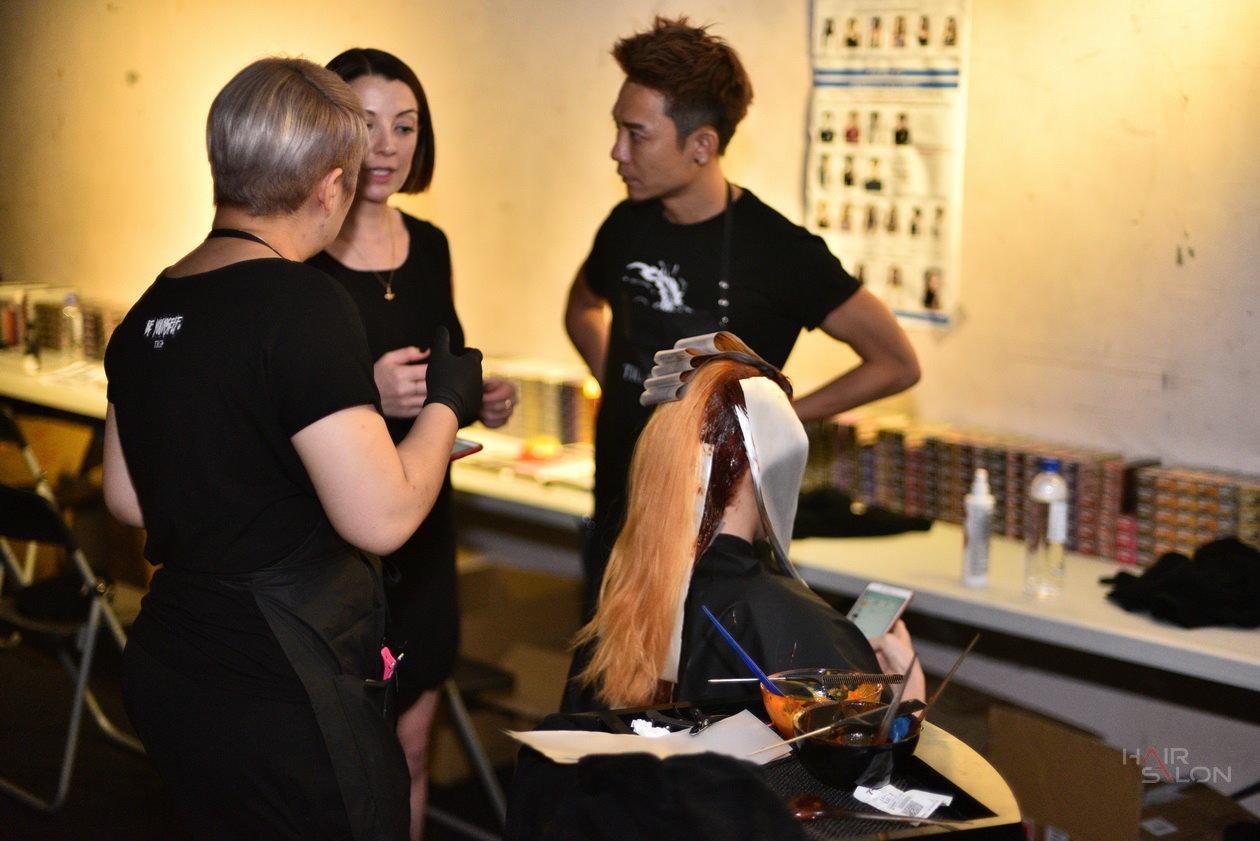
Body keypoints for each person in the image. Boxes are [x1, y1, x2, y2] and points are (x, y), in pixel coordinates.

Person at [102, 57, 483, 841]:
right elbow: (383, 518)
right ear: (331, 186)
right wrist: (447, 403)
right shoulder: (304, 302)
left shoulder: (151, 305)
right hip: (281, 677)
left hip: (174, 661)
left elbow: (128, 497)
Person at [564, 16, 920, 612]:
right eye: (617, 130)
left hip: (717, 543)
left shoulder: (780, 252)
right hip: (617, 526)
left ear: (702, 145)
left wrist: (777, 420)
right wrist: (621, 384)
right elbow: (581, 308)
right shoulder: (625, 225)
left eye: (636, 134)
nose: (617, 151)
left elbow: (896, 363)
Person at [307, 47, 516, 841]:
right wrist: (366, 389)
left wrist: (474, 399)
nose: (387, 146)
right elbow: (270, 402)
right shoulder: (297, 253)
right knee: (331, 766)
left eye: (406, 125)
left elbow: (444, 367)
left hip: (424, 528)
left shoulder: (430, 244)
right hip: (332, 537)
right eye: (367, 125)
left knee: (412, 750)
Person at [563, 335, 924, 712]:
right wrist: (909, 703)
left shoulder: (619, 608)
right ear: (773, 463)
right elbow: (862, 747)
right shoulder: (800, 627)